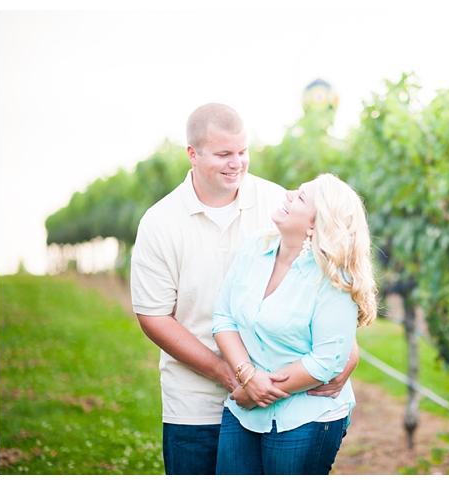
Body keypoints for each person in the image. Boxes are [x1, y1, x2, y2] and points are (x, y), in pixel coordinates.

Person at [130, 103, 359, 475]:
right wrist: (232, 374)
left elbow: (327, 278)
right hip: (195, 402)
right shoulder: (160, 223)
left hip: (281, 399)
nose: (236, 163)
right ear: (193, 154)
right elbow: (154, 316)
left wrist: (345, 352)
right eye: (223, 154)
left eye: (242, 152)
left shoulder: (276, 203)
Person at [212, 173, 378, 475]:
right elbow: (223, 318)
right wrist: (248, 377)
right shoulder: (253, 249)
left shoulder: (333, 279)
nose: (287, 194)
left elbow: (327, 361)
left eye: (300, 197)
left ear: (315, 225)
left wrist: (257, 391)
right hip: (243, 412)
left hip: (306, 420)